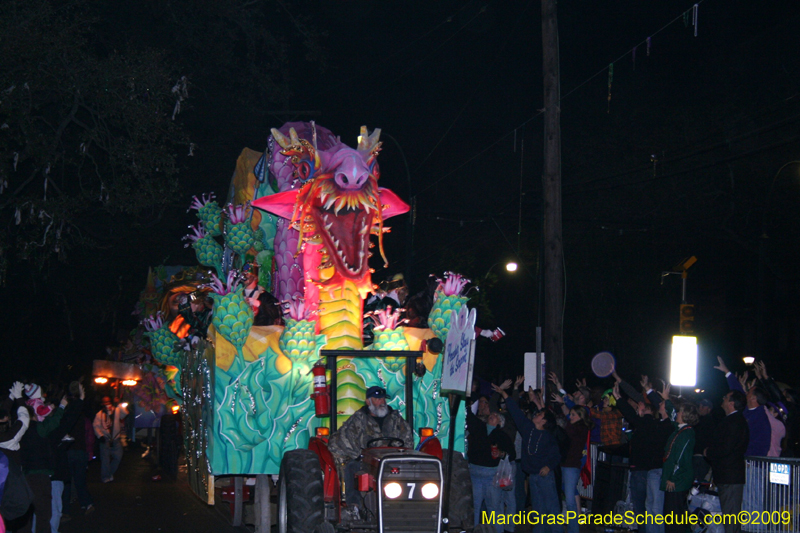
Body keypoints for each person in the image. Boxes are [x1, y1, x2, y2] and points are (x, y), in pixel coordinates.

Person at [327, 386, 413, 510]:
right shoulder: (358, 419)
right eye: (377, 399)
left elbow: (407, 439)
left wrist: (400, 453)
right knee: (352, 467)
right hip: (367, 461)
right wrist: (358, 455)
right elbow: (345, 438)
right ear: (368, 401)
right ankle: (354, 506)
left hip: (392, 460)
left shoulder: (397, 419)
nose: (382, 402)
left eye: (383, 398)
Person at [492, 383, 561, 533]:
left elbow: (556, 455)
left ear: (544, 421)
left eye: (540, 415)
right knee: (537, 511)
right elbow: (516, 412)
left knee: (552, 510)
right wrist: (504, 393)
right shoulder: (528, 428)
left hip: (545, 476)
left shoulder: (548, 437)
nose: (536, 414)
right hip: (533, 476)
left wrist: (548, 466)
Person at [612, 379, 673, 533]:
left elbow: (631, 416)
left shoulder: (646, 423)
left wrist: (619, 399)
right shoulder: (661, 424)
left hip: (641, 470)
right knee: (653, 509)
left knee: (643, 508)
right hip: (654, 470)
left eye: (643, 407)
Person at [466, 388, 515, 533]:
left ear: (500, 422)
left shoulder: (502, 435)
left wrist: (501, 453)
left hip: (490, 475)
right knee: (474, 506)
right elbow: (469, 416)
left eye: (496, 415)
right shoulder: (479, 428)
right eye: (491, 414)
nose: (492, 415)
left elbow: (511, 454)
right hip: (475, 473)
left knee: (494, 508)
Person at [704, 390, 748, 533]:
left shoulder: (735, 422)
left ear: (731, 403)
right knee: (729, 515)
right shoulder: (733, 420)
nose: (722, 399)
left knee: (731, 516)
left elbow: (726, 447)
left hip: (730, 476)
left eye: (725, 397)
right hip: (728, 475)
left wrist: (709, 452)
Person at [657, 384, 698, 533]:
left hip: (677, 481)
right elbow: (672, 413)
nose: (677, 414)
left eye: (680, 412)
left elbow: (681, 457)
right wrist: (667, 400)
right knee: (672, 516)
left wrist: (673, 478)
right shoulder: (681, 429)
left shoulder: (686, 433)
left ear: (685, 415)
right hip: (674, 479)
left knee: (675, 518)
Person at [92, 397, 129, 483]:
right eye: (105, 402)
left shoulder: (117, 410)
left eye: (108, 402)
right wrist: (100, 436)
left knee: (118, 457)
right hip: (105, 439)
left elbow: (125, 413)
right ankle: (105, 477)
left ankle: (109, 473)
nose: (107, 404)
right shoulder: (99, 414)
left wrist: (119, 404)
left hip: (116, 439)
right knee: (105, 460)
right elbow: (96, 426)